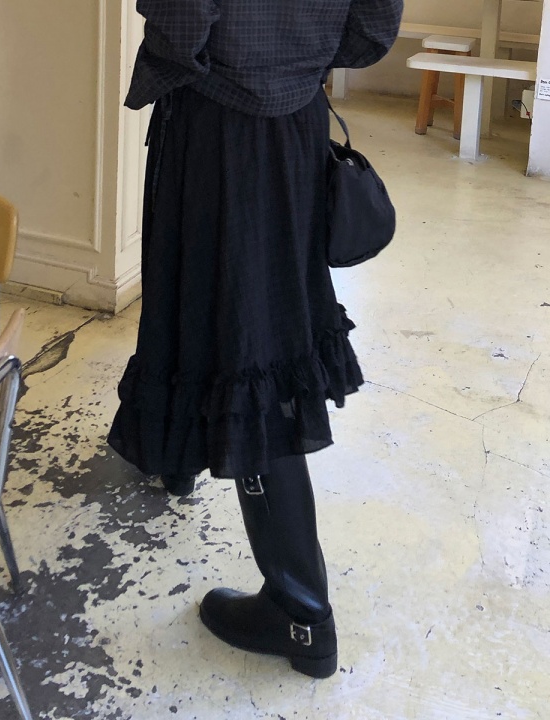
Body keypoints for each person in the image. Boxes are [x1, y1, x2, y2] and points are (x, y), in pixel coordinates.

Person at [109, 0, 403, 679]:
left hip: (218, 126)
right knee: (249, 318)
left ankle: (303, 613)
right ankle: (173, 452)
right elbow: (374, 25)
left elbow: (184, 19)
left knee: (245, 336)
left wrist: (198, 60)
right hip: (295, 121)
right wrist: (299, 61)